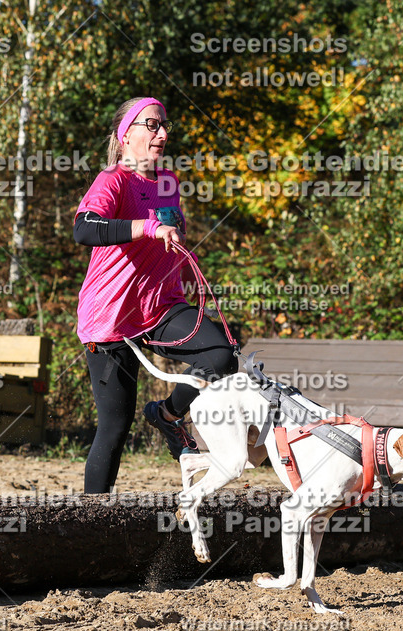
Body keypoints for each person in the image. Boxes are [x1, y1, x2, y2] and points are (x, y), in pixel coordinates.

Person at [73, 96, 237, 494]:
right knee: (114, 425)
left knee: (223, 355)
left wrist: (176, 247)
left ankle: (166, 414)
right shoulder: (113, 180)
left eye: (164, 126)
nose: (161, 133)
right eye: (151, 125)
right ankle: (92, 518)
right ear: (125, 134)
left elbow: (165, 230)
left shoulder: (169, 182)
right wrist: (147, 228)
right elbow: (85, 230)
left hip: (161, 306)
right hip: (110, 316)